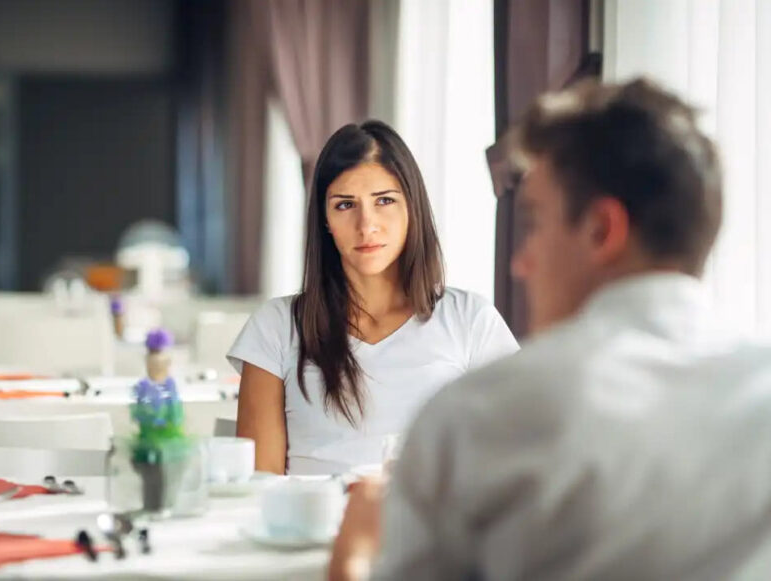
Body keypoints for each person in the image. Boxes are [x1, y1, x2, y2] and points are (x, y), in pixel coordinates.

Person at [330, 78, 771, 580]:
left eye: (535, 223)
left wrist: (353, 551)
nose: (520, 262)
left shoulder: (478, 416)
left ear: (601, 230)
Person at [227, 120, 518, 475]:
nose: (367, 225)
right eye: (345, 205)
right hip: (313, 514)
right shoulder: (274, 327)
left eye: (384, 201)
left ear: (412, 207)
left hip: (431, 512)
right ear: (324, 220)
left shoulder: (471, 320)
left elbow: (513, 463)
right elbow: (260, 486)